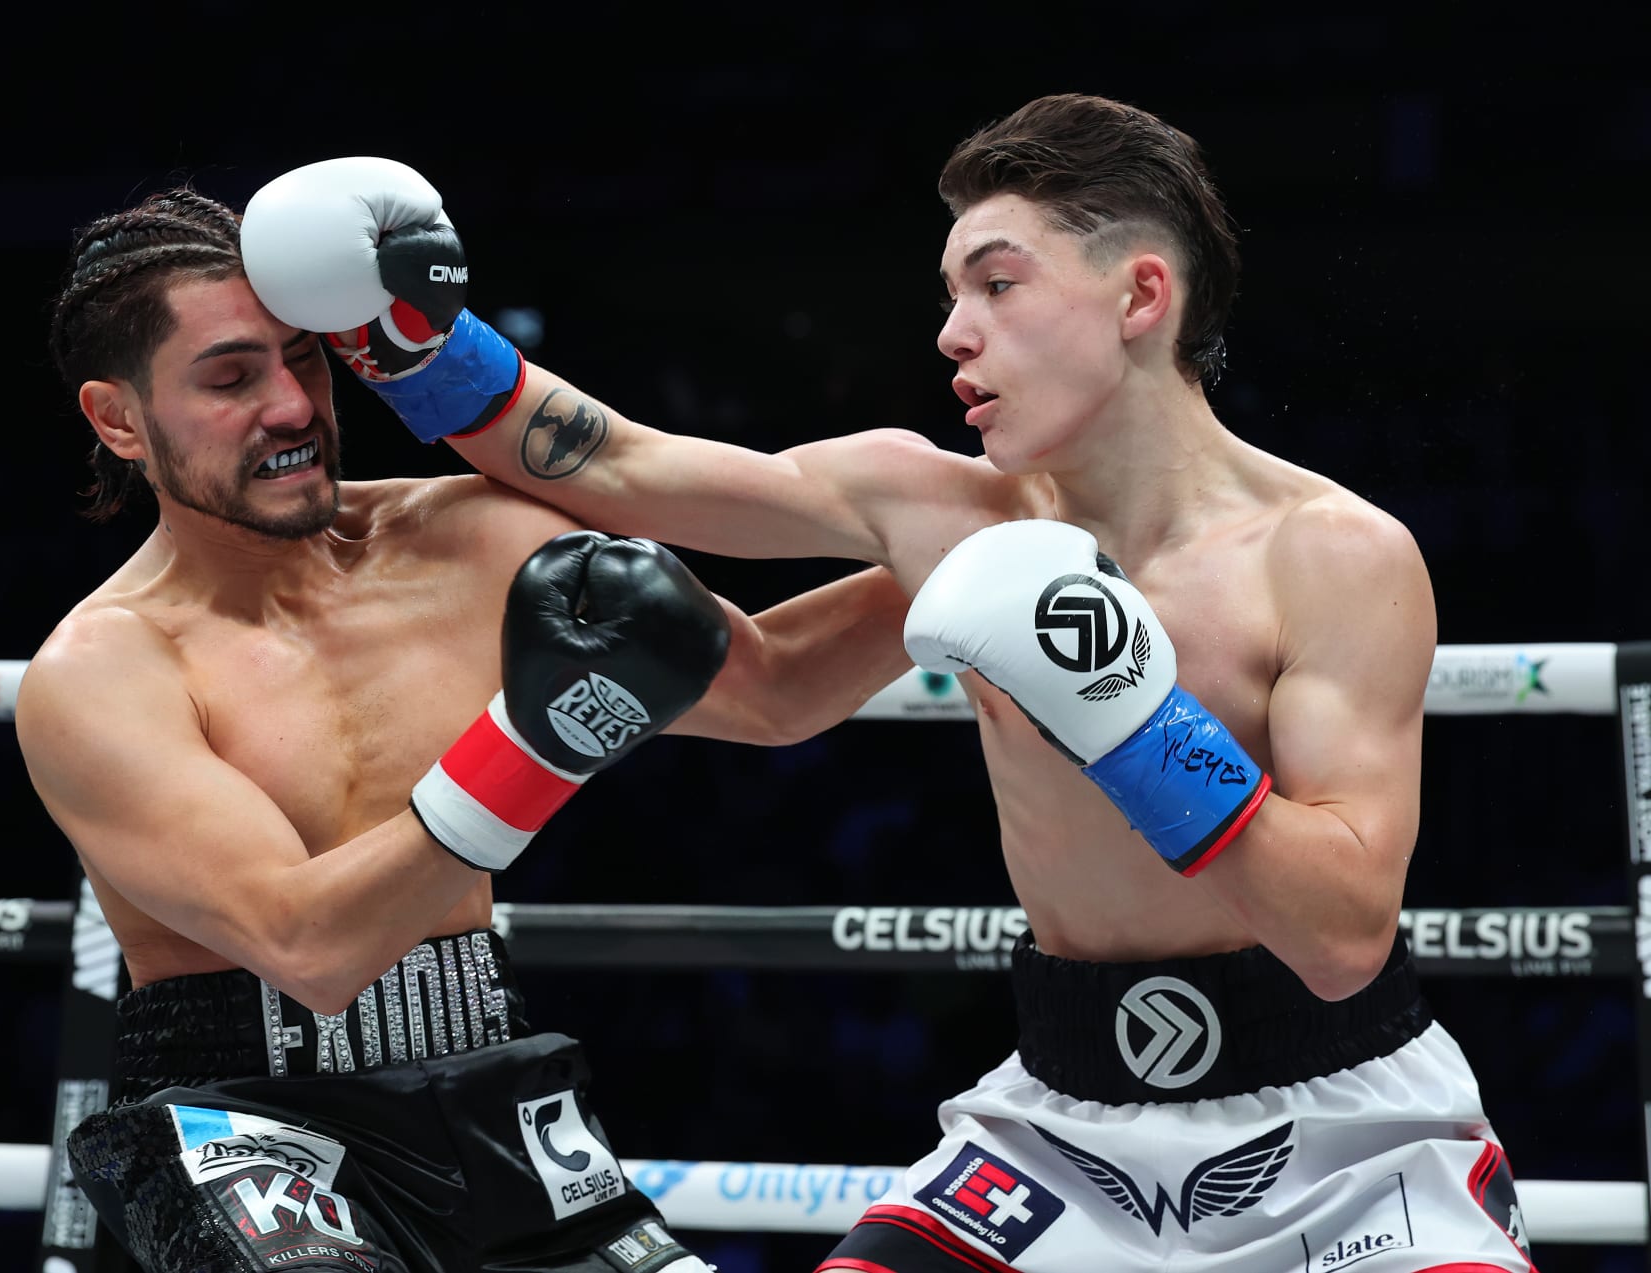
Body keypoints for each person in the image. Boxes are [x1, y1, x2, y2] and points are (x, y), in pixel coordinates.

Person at [238, 92, 1537, 1272]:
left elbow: (1344, 933)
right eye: (949, 289)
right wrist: (403, 336)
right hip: (1064, 1129)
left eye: (998, 283)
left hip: (1344, 1141)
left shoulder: (1336, 557)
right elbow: (619, 468)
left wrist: (1127, 713)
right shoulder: (937, 507)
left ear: (1143, 296)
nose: (953, 332)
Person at [15, 185, 916, 1273]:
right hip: (240, 1119)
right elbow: (309, 945)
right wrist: (536, 745)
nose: (294, 406)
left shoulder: (468, 539)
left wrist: (994, 551)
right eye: (231, 377)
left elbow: (778, 691)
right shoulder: (103, 670)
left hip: (488, 1083)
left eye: (304, 359)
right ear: (118, 419)